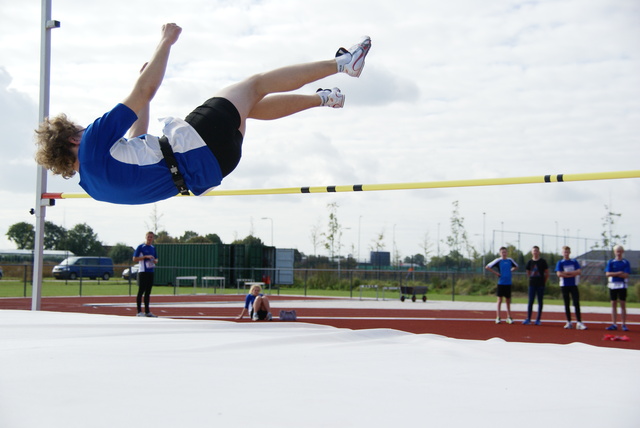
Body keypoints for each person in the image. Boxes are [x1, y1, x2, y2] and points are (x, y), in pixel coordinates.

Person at [34, 23, 372, 205]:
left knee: (249, 106)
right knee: (254, 84)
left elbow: (137, 143)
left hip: (215, 168)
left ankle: (324, 100)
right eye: (80, 127)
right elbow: (142, 91)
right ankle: (343, 63)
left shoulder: (95, 188)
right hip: (193, 144)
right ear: (74, 137)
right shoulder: (92, 142)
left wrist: (145, 101)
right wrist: (164, 44)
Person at [555, 246, 586, 330]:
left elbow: (578, 272)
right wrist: (570, 274)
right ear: (562, 253)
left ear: (569, 252)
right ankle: (569, 321)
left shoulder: (574, 261)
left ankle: (579, 322)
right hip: (564, 285)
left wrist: (568, 273)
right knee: (566, 303)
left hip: (573, 284)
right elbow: (559, 274)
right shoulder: (560, 262)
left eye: (567, 252)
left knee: (576, 303)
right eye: (564, 252)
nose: (566, 253)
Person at [485, 247, 518, 324]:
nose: (504, 254)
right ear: (500, 253)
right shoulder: (498, 260)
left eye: (505, 252)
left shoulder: (510, 260)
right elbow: (487, 267)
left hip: (508, 283)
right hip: (501, 283)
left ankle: (509, 317)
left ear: (507, 253)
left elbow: (516, 266)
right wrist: (496, 273)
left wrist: (511, 270)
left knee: (508, 301)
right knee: (499, 300)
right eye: (502, 252)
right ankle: (498, 317)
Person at [605, 245, 631, 331]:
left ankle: (623, 324)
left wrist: (616, 273)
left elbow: (626, 275)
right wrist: (619, 273)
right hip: (613, 285)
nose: (618, 253)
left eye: (620, 251)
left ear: (622, 252)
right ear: (614, 252)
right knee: (613, 304)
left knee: (622, 304)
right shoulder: (611, 262)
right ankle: (614, 324)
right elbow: (608, 274)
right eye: (617, 251)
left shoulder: (625, 262)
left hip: (622, 285)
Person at [133, 231, 158, 317]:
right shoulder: (141, 247)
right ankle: (139, 311)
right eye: (148, 237)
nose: (150, 239)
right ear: (146, 237)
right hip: (143, 271)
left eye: (151, 237)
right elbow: (134, 259)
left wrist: (154, 260)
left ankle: (147, 311)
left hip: (150, 271)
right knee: (141, 291)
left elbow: (157, 259)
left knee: (148, 292)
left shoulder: (153, 248)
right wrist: (145, 257)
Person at [523, 246, 549, 325]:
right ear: (532, 252)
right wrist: (530, 278)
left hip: (540, 284)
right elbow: (527, 272)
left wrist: (543, 281)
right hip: (532, 284)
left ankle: (538, 319)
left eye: (536, 251)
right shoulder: (530, 262)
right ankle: (528, 318)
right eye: (534, 251)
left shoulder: (543, 261)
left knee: (540, 301)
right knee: (530, 301)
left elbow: (547, 273)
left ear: (539, 252)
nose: (535, 252)